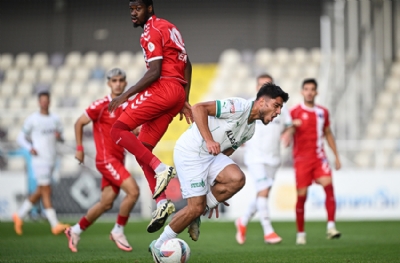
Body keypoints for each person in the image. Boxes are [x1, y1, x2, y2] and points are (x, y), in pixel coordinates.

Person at [149, 83, 289, 262]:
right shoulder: (239, 106)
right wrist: (208, 140)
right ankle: (159, 244)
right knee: (195, 207)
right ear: (262, 101)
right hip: (191, 152)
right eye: (276, 106)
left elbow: (227, 153)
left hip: (210, 156)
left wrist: (214, 188)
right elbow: (199, 108)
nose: (278, 112)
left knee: (236, 179)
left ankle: (198, 212)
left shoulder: (250, 130)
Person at [108, 0, 192, 233]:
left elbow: (154, 72)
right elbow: (188, 64)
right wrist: (183, 98)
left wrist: (125, 95)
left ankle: (161, 168)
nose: (133, 13)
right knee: (142, 147)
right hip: (175, 93)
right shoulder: (170, 27)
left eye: (138, 8)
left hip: (162, 89)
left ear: (150, 8)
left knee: (117, 130)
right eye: (131, 9)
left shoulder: (150, 31)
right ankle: (163, 202)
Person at [64, 68, 140, 253]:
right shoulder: (101, 104)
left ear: (125, 82)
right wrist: (80, 148)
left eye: (121, 80)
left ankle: (75, 230)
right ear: (108, 83)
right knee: (134, 192)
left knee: (106, 203)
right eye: (114, 80)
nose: (118, 84)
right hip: (106, 160)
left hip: (118, 160)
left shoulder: (128, 106)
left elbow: (135, 131)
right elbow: (79, 122)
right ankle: (118, 230)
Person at [235, 74, 294, 245]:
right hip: (255, 157)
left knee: (263, 192)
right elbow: (239, 126)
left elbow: (289, 126)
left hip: (274, 158)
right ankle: (268, 231)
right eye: (261, 85)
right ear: (256, 88)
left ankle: (243, 221)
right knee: (263, 190)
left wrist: (288, 135)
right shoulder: (249, 105)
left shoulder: (281, 108)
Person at [290, 78, 341, 245]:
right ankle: (300, 234)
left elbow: (327, 133)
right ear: (302, 92)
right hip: (301, 160)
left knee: (329, 186)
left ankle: (331, 227)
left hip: (319, 158)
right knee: (302, 197)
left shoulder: (323, 112)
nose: (309, 92)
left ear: (316, 92)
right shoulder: (294, 112)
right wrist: (290, 129)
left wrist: (336, 156)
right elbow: (287, 129)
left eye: (312, 89)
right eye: (306, 89)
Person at [13, 91, 69, 235]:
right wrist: (30, 148)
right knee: (46, 190)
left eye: (46, 100)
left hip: (51, 159)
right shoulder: (33, 119)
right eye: (42, 100)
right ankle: (54, 224)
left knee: (40, 190)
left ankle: (19, 216)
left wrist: (59, 136)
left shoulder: (55, 119)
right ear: (39, 102)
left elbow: (62, 138)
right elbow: (20, 137)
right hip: (39, 160)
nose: (44, 102)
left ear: (49, 102)